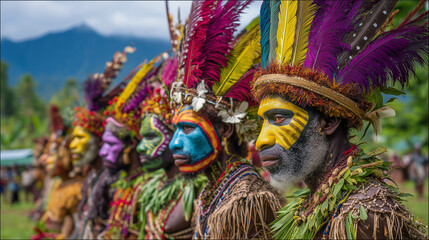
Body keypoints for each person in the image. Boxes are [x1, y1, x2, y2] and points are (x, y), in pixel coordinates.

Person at [252, 0, 428, 239]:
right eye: (264, 121)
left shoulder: (366, 215)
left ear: (328, 122)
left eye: (279, 118)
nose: (261, 140)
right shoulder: (309, 205)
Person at [169, 1, 284, 238]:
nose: (174, 143)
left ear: (224, 130)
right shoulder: (212, 190)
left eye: (188, 129)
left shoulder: (249, 198)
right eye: (176, 130)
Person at [70, 46, 133, 239]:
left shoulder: (112, 182)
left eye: (80, 138)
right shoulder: (92, 179)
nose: (72, 145)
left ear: (98, 142)